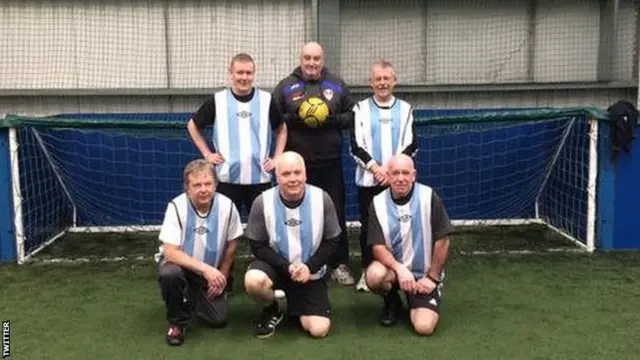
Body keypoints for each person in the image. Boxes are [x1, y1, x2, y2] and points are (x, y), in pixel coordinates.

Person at [187, 53, 288, 294]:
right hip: (226, 180)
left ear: (254, 73)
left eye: (248, 73)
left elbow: (282, 129)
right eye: (239, 73)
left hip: (259, 180)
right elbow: (193, 125)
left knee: (267, 231)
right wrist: (207, 154)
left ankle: (270, 275)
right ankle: (225, 278)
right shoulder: (218, 100)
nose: (244, 77)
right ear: (230, 73)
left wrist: (277, 158)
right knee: (223, 232)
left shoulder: (266, 100)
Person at [271, 41, 355, 286]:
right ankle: (294, 264)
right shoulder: (286, 86)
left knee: (335, 214)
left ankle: (340, 264)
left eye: (316, 58)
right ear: (301, 59)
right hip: (296, 169)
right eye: (307, 58)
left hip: (330, 162)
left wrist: (329, 118)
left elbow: (351, 115)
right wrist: (298, 118)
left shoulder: (337, 84)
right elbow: (274, 119)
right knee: (297, 216)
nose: (311, 63)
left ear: (322, 59)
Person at [243, 151, 341, 339]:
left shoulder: (322, 199)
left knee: (318, 330)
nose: (293, 179)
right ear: (277, 176)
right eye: (286, 174)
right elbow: (257, 245)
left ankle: (299, 304)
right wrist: (286, 266)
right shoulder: (262, 202)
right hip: (277, 268)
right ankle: (272, 308)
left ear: (305, 174)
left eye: (297, 173)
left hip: (311, 272)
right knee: (254, 281)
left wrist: (309, 267)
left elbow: (333, 240)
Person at [156, 159, 244, 346]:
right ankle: (177, 323)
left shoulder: (228, 207)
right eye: (197, 185)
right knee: (169, 273)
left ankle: (190, 296)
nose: (203, 189)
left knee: (218, 320)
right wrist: (206, 269)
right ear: (187, 188)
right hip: (182, 266)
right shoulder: (176, 207)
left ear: (215, 185)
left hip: (209, 273)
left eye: (208, 184)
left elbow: (232, 245)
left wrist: (223, 276)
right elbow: (170, 252)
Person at [365, 154, 454, 336]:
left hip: (423, 276)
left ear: (413, 175)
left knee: (424, 328)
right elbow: (378, 247)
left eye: (405, 173)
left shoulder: (429, 197)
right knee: (374, 275)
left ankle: (422, 297)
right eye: (395, 173)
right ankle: (393, 301)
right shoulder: (378, 202)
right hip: (396, 272)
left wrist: (433, 278)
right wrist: (399, 269)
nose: (400, 178)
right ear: (388, 176)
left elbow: (443, 240)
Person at [350, 60, 418, 292]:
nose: (382, 83)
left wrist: (392, 172)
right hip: (370, 181)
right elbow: (355, 146)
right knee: (369, 229)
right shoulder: (359, 109)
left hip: (397, 183)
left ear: (394, 81)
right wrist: (376, 169)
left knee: (402, 226)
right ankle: (367, 272)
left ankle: (406, 269)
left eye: (386, 79)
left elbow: (411, 145)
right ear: (371, 83)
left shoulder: (406, 109)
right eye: (377, 79)